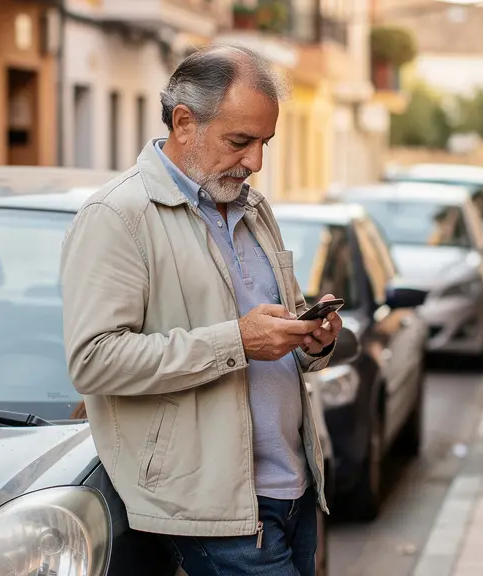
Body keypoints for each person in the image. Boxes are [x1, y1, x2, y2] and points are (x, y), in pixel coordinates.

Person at [60, 44, 342, 576]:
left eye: (265, 143)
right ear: (184, 122)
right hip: (217, 508)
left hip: (295, 489)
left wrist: (311, 339)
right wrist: (237, 341)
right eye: (241, 141)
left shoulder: (255, 208)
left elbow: (273, 333)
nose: (256, 161)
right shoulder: (117, 216)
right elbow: (94, 361)